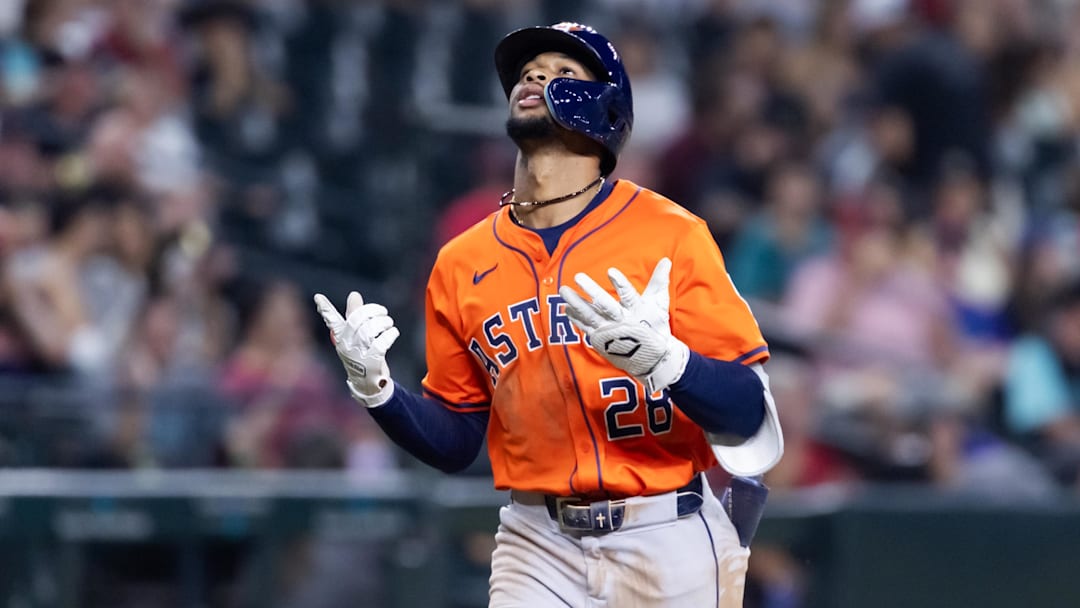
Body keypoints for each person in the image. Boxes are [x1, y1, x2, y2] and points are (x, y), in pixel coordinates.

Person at [314, 22, 783, 607]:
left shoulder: (671, 235)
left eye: (564, 73)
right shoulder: (462, 261)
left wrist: (672, 364)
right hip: (536, 541)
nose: (535, 78)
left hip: (668, 530)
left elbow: (749, 411)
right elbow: (457, 439)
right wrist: (379, 392)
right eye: (529, 72)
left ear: (607, 109)